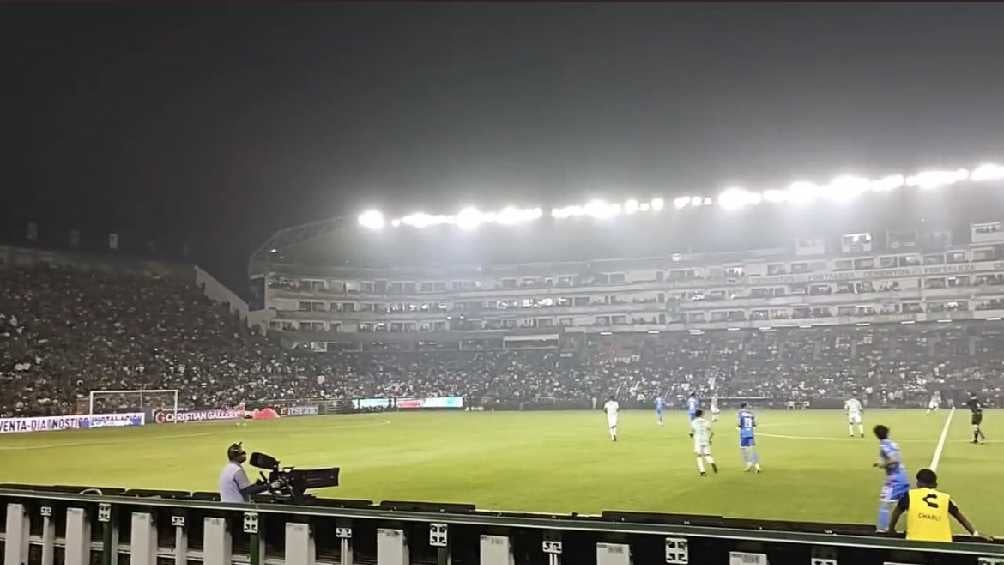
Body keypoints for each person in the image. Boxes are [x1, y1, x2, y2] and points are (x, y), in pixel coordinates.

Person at [887, 468, 983, 542]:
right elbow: (960, 517)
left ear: (918, 483)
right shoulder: (945, 498)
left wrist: (891, 529)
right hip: (943, 544)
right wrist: (975, 533)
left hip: (915, 542)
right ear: (935, 485)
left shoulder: (910, 495)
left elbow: (896, 513)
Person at [873, 425, 911, 533]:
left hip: (894, 480)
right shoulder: (893, 443)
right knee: (906, 504)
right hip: (903, 476)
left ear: (876, 435)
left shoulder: (884, 446)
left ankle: (882, 530)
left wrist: (882, 464)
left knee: (885, 505)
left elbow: (895, 459)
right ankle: (913, 527)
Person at [691, 409, 717, 476]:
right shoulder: (706, 421)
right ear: (701, 414)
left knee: (699, 455)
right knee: (707, 454)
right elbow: (712, 432)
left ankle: (702, 471)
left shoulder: (693, 422)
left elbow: (692, 432)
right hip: (705, 439)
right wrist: (710, 439)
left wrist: (692, 436)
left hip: (698, 440)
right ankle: (711, 462)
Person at [737, 402, 761, 473]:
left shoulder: (740, 413)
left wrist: (739, 427)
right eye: (748, 405)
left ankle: (749, 464)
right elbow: (754, 424)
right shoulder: (751, 413)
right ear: (745, 406)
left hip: (744, 434)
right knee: (752, 449)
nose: (749, 406)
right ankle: (757, 466)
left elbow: (739, 423)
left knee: (743, 449)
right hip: (751, 434)